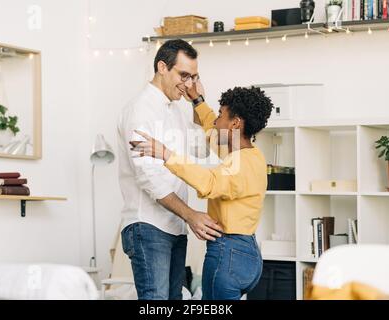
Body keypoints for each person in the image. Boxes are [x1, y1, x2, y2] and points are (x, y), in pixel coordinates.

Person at [130, 85, 274, 300]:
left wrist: (166, 154)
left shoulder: (242, 163)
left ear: (235, 123)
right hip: (246, 255)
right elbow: (211, 129)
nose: (216, 120)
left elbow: (209, 182)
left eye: (221, 115)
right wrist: (197, 101)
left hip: (228, 253)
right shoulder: (247, 154)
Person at [117, 39, 223, 300]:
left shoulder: (175, 110)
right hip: (148, 226)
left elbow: (201, 148)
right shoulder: (140, 111)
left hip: (175, 228)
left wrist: (198, 101)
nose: (187, 84)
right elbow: (150, 179)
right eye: (183, 75)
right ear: (162, 67)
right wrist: (191, 215)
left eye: (193, 77)